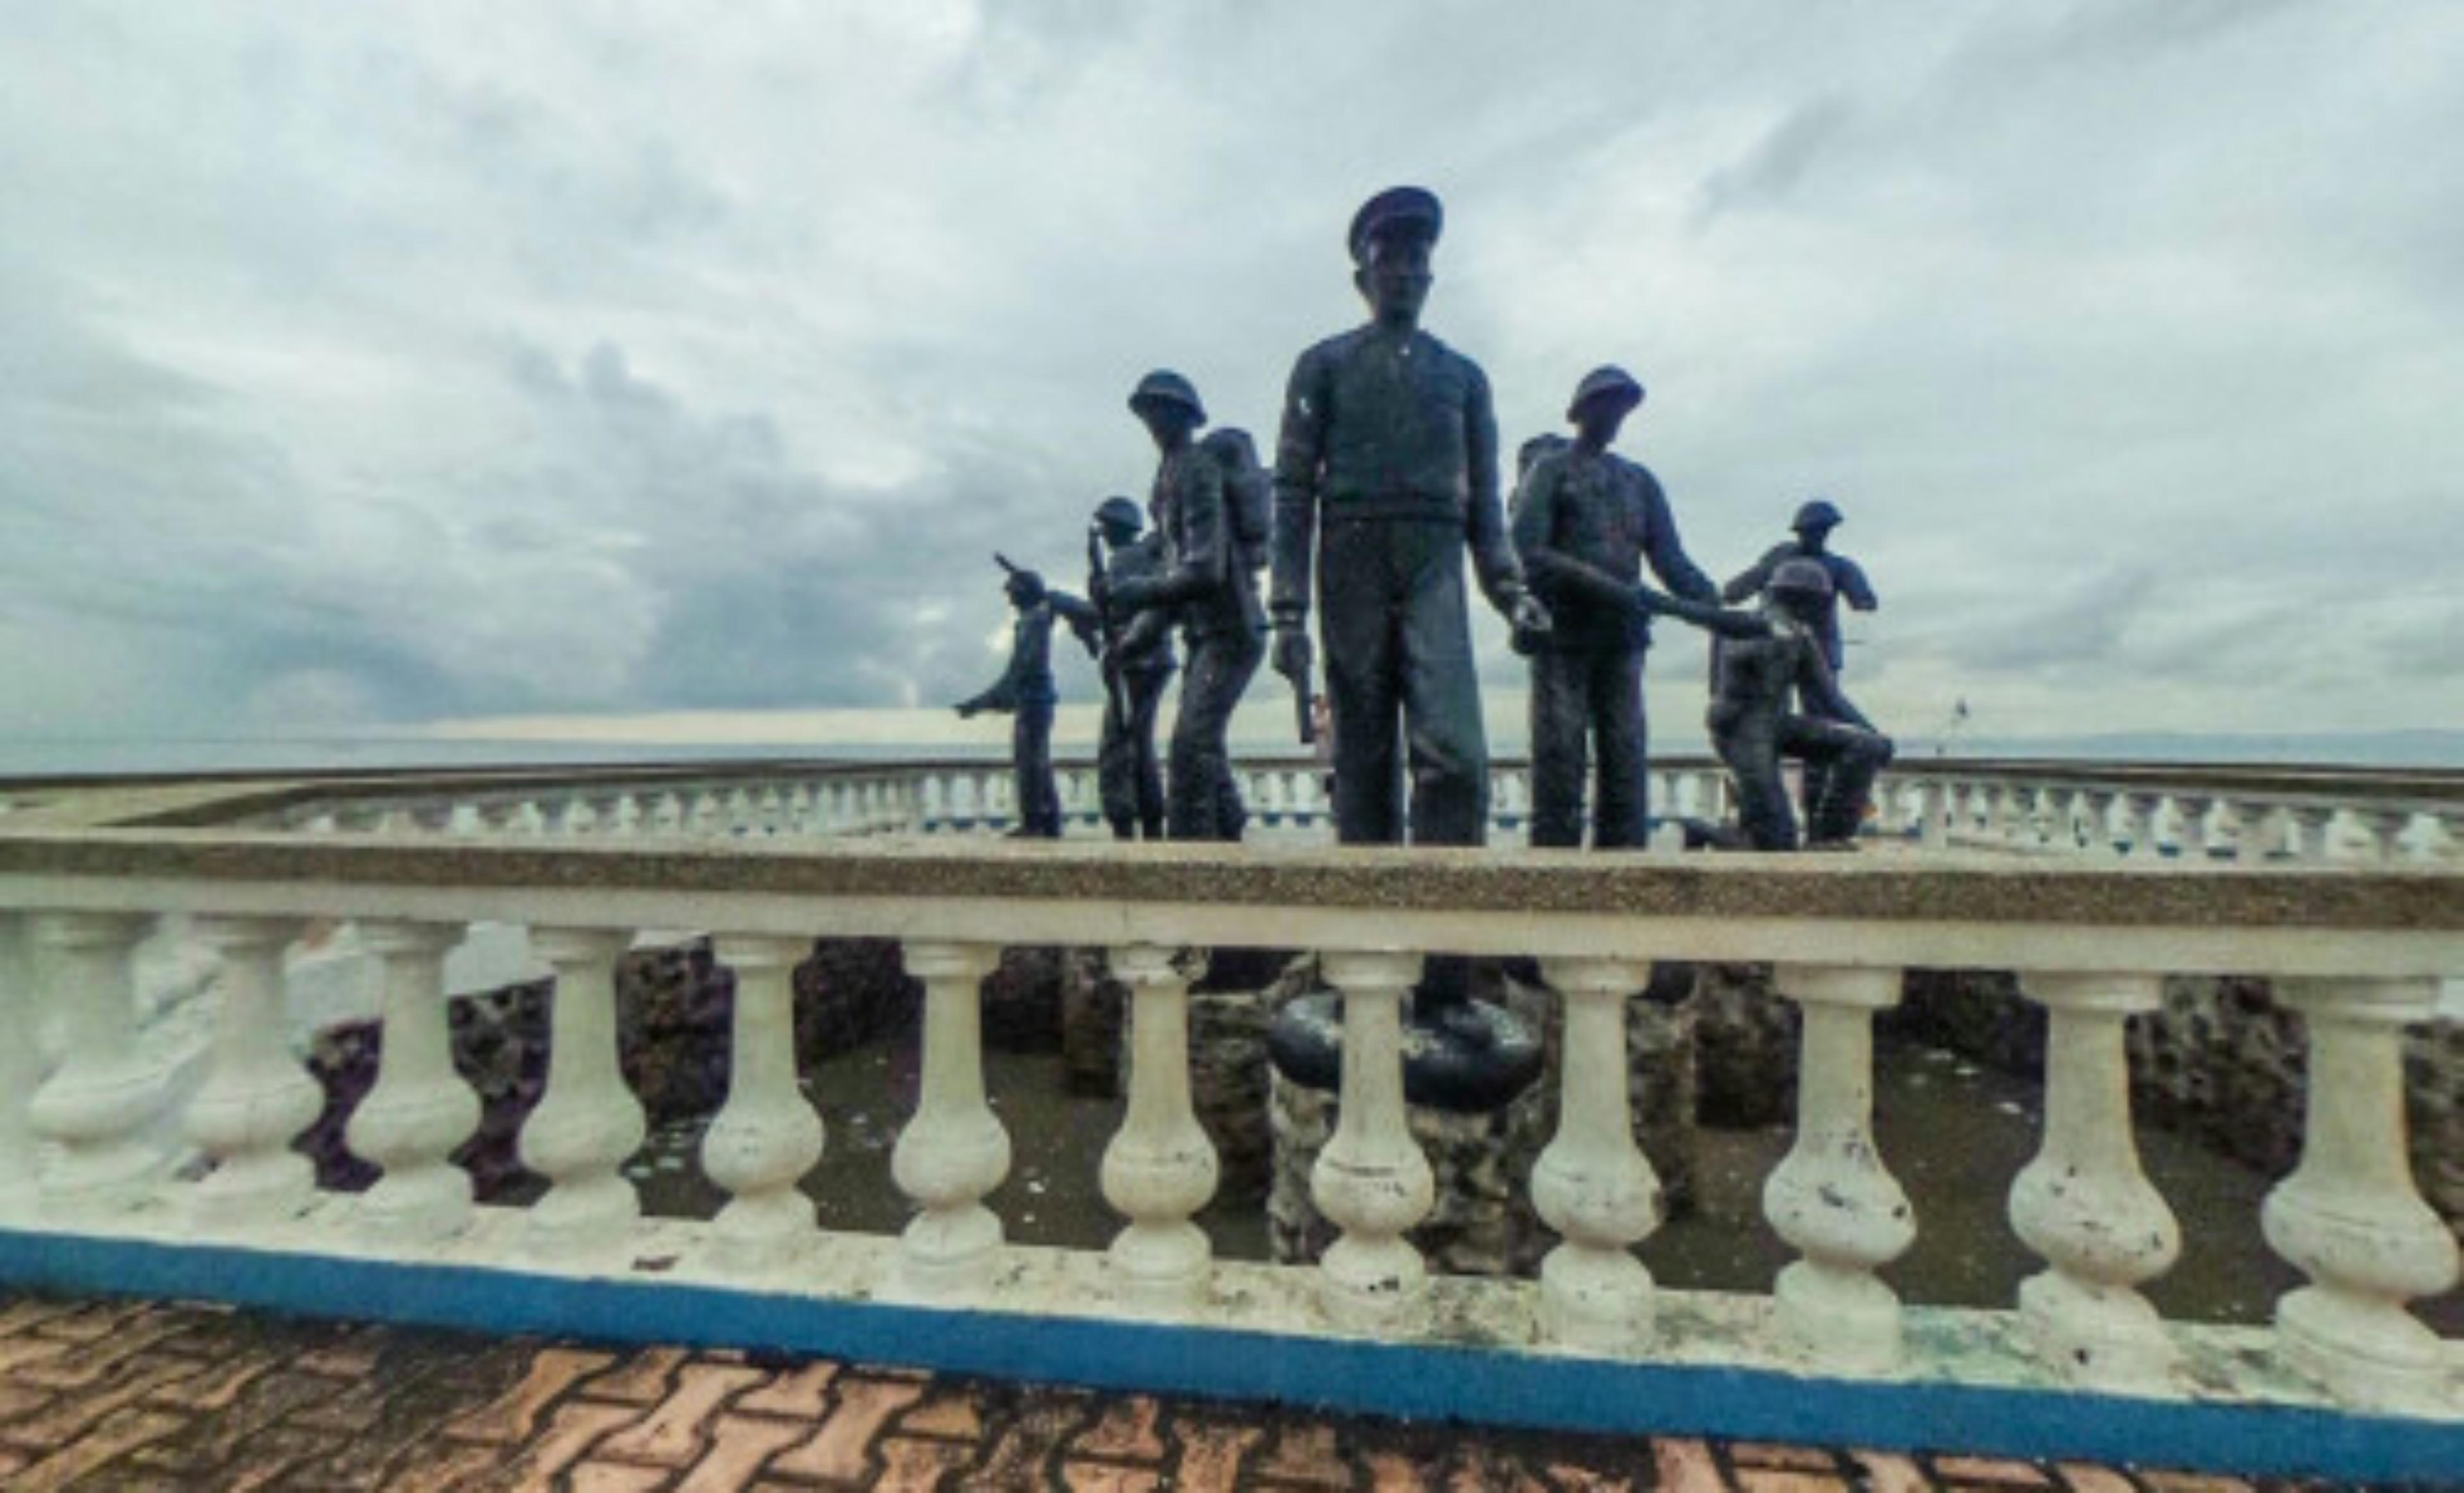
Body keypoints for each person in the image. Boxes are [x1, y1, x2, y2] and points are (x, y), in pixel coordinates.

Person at [1264, 185, 1551, 1109]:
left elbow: (1484, 515)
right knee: (1364, 767)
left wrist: (1511, 591)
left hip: (1432, 558)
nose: (1410, 271)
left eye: (1422, 257)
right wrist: (1284, 609)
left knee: (1457, 759)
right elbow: (1291, 496)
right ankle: (1365, 965)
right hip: (1347, 552)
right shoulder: (1323, 363)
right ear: (1365, 272)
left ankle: (1446, 979)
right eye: (1394, 257)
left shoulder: (1463, 376)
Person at [1510, 366, 1759, 849]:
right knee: (1560, 752)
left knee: (1625, 751)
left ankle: (1624, 861)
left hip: (1623, 636)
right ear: (1581, 412)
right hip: (1563, 633)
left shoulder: (1639, 481)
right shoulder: (1551, 470)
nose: (1614, 416)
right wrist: (1604, 585)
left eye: (1621, 407)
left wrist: (1713, 605)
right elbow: (1528, 550)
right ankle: (1552, 870)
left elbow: (1670, 560)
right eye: (1605, 405)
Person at [1100, 371, 1264, 842]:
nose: (1153, 420)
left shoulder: (1196, 468)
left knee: (1190, 749)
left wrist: (1135, 592)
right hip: (1202, 633)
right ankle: (1228, 836)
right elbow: (1177, 580)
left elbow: (1205, 570)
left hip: (1231, 630)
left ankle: (1193, 866)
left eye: (1162, 410)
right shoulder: (1167, 479)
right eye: (1147, 411)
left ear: (1184, 415)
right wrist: (1134, 639)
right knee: (1202, 745)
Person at [1707, 559, 1894, 851]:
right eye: (1816, 603)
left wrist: (1874, 734)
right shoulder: (1741, 628)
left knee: (1865, 746)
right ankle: (1701, 833)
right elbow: (1721, 686)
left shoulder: (1801, 636)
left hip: (1778, 724)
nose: (1820, 610)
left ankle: (1829, 837)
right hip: (1742, 731)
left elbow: (1829, 697)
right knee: (1778, 839)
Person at [1724, 499, 1879, 823]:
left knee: (1823, 730)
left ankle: (1816, 815)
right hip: (1772, 651)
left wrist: (1855, 589)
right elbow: (1736, 590)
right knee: (1759, 725)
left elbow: (1864, 600)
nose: (1817, 536)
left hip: (1818, 652)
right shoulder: (1780, 556)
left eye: (1823, 531)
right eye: (1812, 531)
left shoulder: (1838, 566)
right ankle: (1756, 810)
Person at [954, 559, 1095, 839]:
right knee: (1035, 761)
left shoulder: (1034, 621)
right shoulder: (1036, 619)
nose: (1009, 600)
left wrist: (979, 704)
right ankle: (1047, 821)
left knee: (1031, 762)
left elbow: (1019, 672)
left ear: (1023, 593)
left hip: (1034, 700)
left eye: (1012, 593)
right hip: (1035, 699)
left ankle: (1036, 822)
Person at [1087, 495, 1175, 840]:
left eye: (1106, 526)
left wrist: (1098, 577)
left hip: (1134, 660)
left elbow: (1115, 604)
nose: (1103, 533)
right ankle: (1149, 818)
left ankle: (1127, 819)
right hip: (1148, 658)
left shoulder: (1127, 558)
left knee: (1119, 747)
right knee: (1138, 743)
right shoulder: (1142, 558)